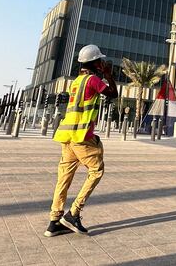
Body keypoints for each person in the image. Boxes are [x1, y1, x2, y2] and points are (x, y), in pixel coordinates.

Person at [44, 44, 118, 237]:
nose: (102, 62)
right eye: (100, 60)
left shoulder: (76, 81)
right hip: (81, 136)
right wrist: (109, 74)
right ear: (94, 63)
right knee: (96, 171)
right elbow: (113, 94)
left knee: (64, 178)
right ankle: (74, 212)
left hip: (67, 136)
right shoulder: (92, 80)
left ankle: (54, 221)